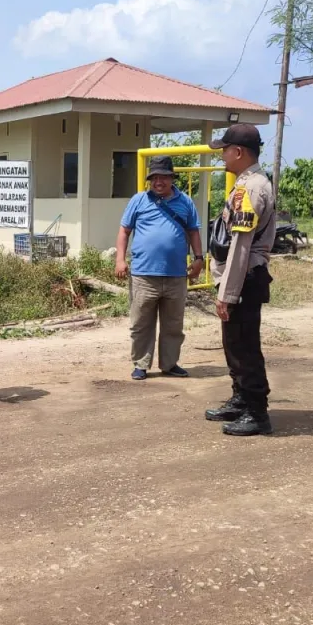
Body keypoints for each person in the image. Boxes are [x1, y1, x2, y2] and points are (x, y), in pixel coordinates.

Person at [206, 124, 277, 436]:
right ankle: (241, 399)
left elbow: (241, 245)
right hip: (241, 277)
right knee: (234, 344)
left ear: (238, 152)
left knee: (245, 346)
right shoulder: (246, 184)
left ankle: (257, 412)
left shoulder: (251, 188)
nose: (222, 156)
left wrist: (228, 293)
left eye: (224, 150)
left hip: (244, 278)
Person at [115, 155, 205, 380]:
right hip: (143, 274)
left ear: (171, 178)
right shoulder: (139, 200)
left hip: (176, 275)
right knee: (141, 323)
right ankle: (141, 364)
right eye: (154, 177)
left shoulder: (185, 202)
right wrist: (120, 259)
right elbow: (124, 231)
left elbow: (194, 231)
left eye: (163, 177)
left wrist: (198, 258)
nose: (158, 182)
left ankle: (170, 364)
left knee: (173, 324)